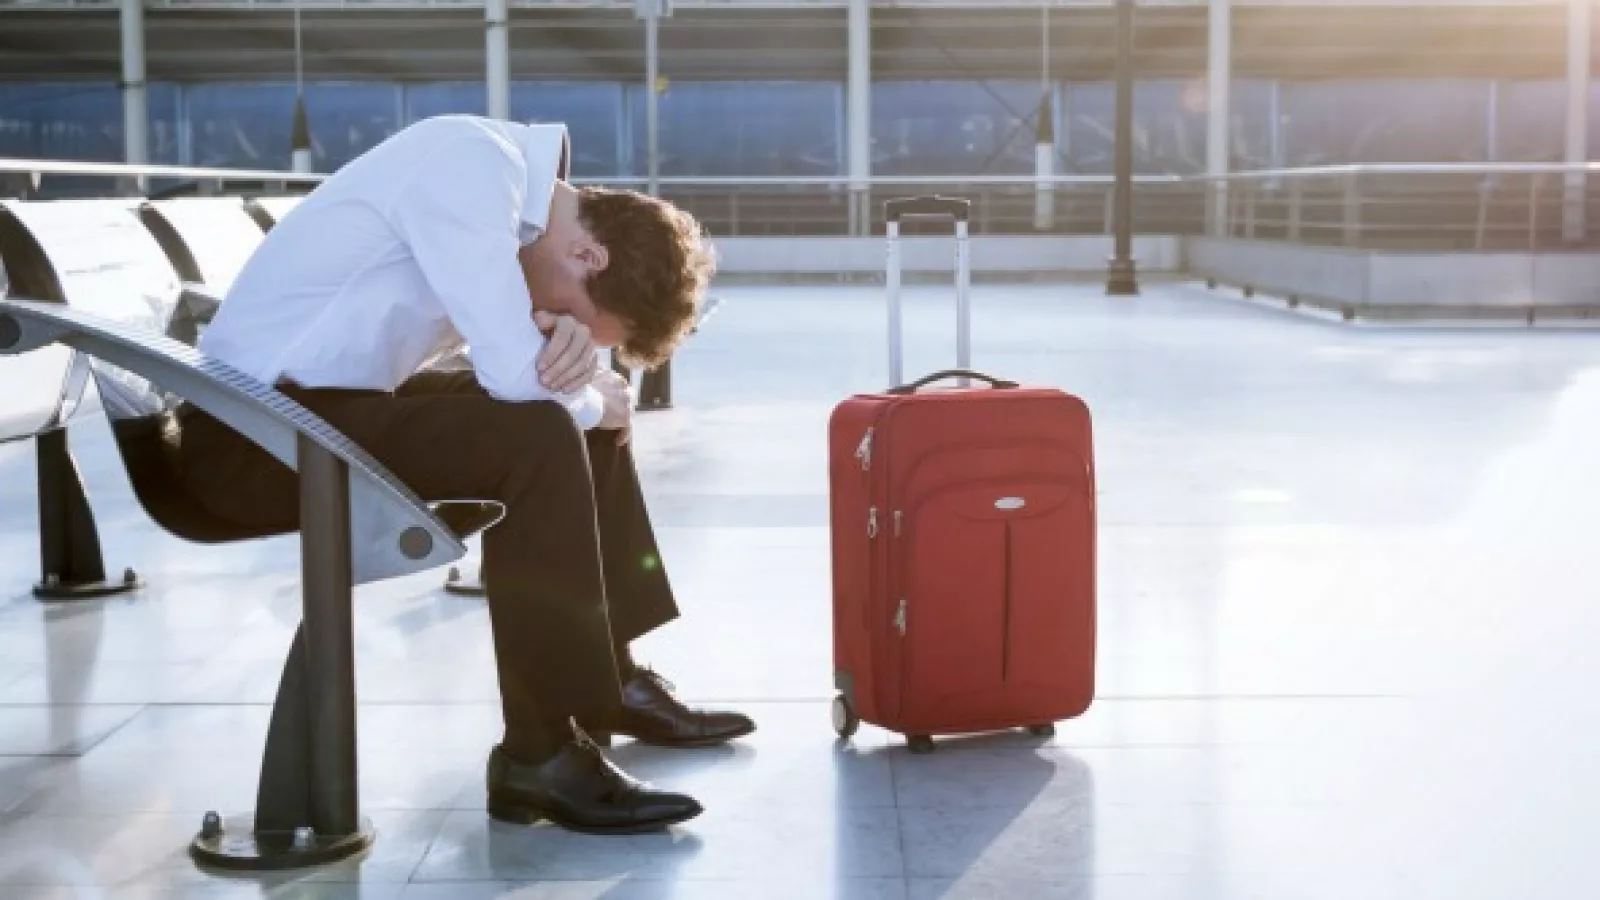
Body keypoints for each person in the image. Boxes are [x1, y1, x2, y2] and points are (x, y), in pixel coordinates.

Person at [172, 114, 752, 834]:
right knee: (544, 429)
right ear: (587, 254)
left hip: (313, 411)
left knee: (573, 419)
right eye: (567, 312)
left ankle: (612, 677)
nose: (551, 319)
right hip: (245, 440)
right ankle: (539, 754)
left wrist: (587, 391)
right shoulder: (472, 168)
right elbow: (516, 377)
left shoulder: (508, 197)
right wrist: (587, 394)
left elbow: (514, 368)